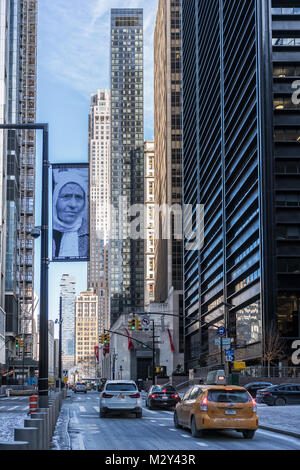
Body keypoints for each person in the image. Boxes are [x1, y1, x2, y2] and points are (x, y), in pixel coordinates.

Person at [52, 172, 89, 259]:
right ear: (55, 200)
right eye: (66, 196)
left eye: (79, 197)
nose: (73, 204)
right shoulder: (45, 231)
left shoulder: (92, 235)